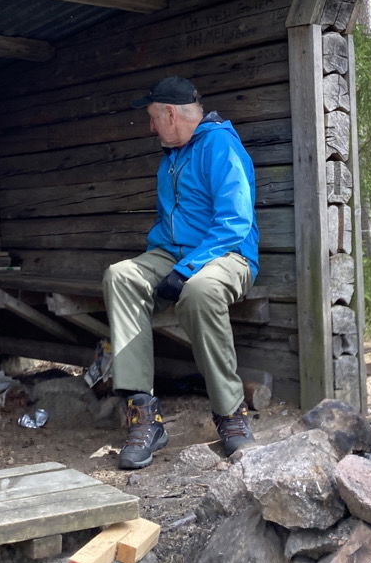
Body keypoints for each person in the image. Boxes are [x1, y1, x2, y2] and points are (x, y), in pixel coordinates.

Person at [103, 76, 260, 469]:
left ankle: (230, 413)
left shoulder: (220, 146)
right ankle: (144, 413)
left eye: (153, 118)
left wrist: (187, 268)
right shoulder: (172, 154)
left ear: (171, 113)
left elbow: (234, 222)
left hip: (228, 255)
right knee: (120, 275)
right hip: (172, 255)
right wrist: (169, 264)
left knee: (201, 290)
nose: (150, 127)